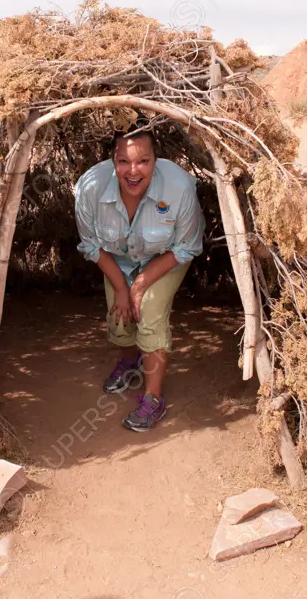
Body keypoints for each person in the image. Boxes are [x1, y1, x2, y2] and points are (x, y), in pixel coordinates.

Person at [74, 128, 204, 432]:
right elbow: (91, 245)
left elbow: (187, 246)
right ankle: (129, 361)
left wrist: (140, 284)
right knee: (119, 315)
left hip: (166, 259)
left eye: (143, 161)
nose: (133, 171)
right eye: (123, 162)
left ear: (156, 160)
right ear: (112, 161)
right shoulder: (90, 189)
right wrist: (121, 287)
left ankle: (153, 399)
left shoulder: (179, 188)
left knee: (150, 311)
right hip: (118, 259)